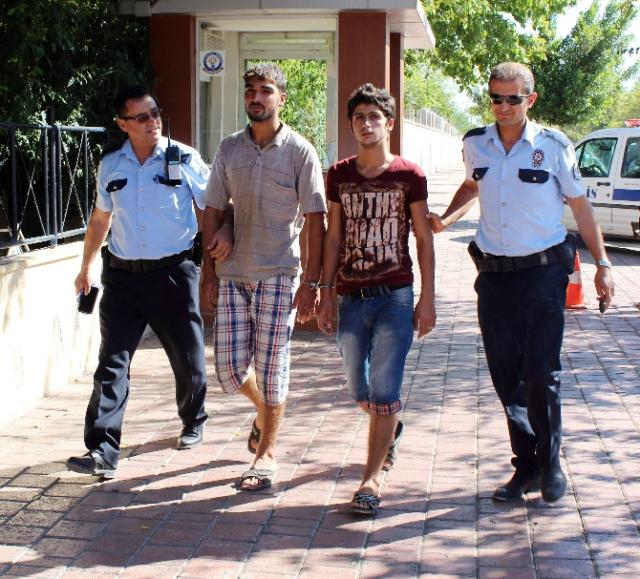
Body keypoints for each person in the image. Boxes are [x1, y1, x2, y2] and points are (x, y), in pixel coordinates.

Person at [428, 62, 614, 504]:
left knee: (541, 371)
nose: (503, 106)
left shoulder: (553, 145)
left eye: (512, 98)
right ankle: (526, 466)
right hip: (494, 276)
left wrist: (603, 263)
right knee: (505, 373)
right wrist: (446, 218)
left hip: (544, 273)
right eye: (496, 97)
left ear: (530, 99)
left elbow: (580, 206)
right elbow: (472, 185)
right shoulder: (476, 144)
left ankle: (550, 464)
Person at [66, 85, 210, 479]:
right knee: (111, 364)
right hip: (122, 278)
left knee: (187, 358)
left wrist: (216, 256)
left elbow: (212, 206)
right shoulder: (111, 164)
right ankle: (102, 450)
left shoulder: (184, 158)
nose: (153, 122)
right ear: (123, 124)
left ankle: (194, 418)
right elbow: (101, 219)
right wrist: (86, 267)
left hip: (173, 274)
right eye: (142, 117)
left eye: (155, 113)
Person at [201, 62, 326, 491]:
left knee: (272, 369)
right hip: (232, 272)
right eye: (250, 89)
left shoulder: (300, 151)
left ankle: (266, 453)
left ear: (281, 99)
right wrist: (208, 272)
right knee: (229, 371)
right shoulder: (228, 149)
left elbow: (315, 218)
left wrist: (312, 282)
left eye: (265, 90)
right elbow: (214, 208)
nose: (256, 97)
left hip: (279, 272)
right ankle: (264, 413)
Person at [317, 83, 436, 515]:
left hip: (395, 297)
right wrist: (325, 292)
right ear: (351, 125)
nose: (366, 124)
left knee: (385, 389)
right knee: (359, 387)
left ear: (390, 124)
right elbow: (333, 237)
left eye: (374, 117)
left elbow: (423, 238)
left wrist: (427, 298)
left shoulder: (410, 175)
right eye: (359, 118)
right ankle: (390, 426)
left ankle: (371, 479)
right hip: (351, 296)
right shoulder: (338, 174)